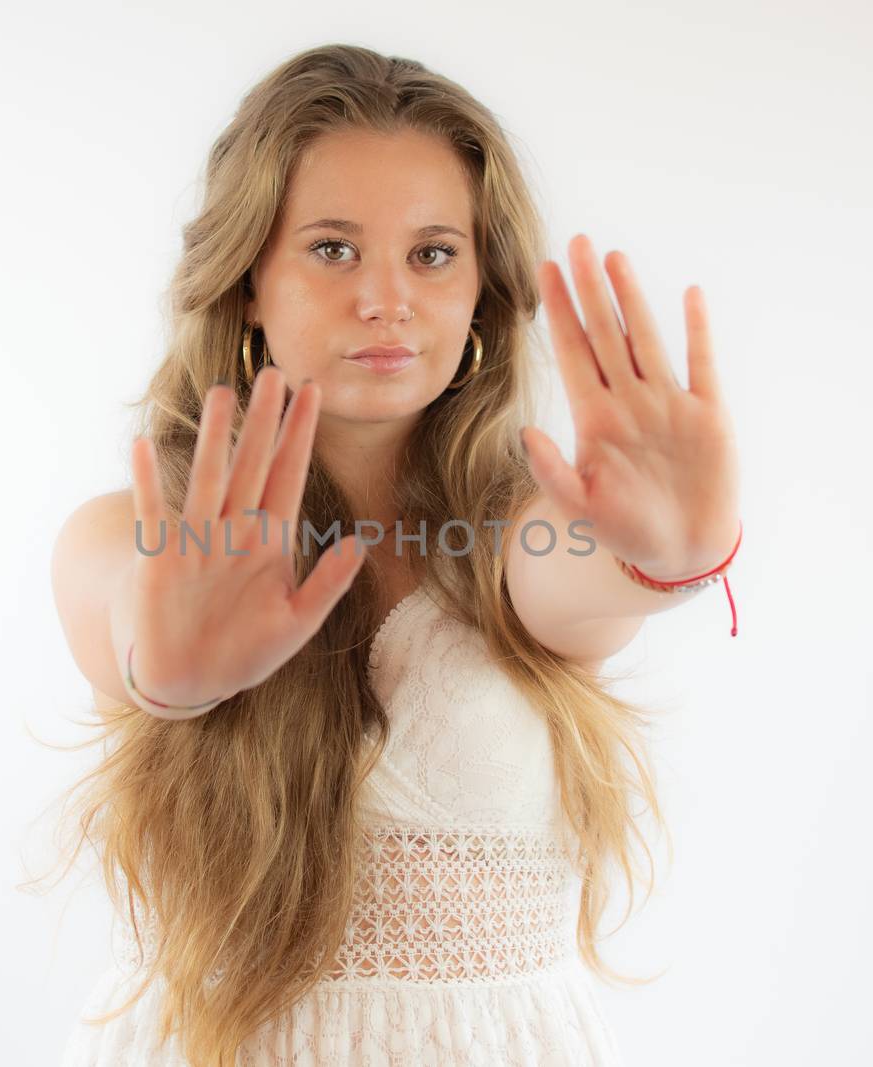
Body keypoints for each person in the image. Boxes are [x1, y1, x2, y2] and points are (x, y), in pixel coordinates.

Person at [45, 43, 742, 1067]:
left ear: (478, 290)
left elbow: (578, 578)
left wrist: (675, 555)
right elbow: (127, 614)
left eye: (431, 253)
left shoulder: (523, 530)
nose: (387, 300)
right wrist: (173, 669)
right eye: (332, 248)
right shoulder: (136, 536)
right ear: (246, 279)